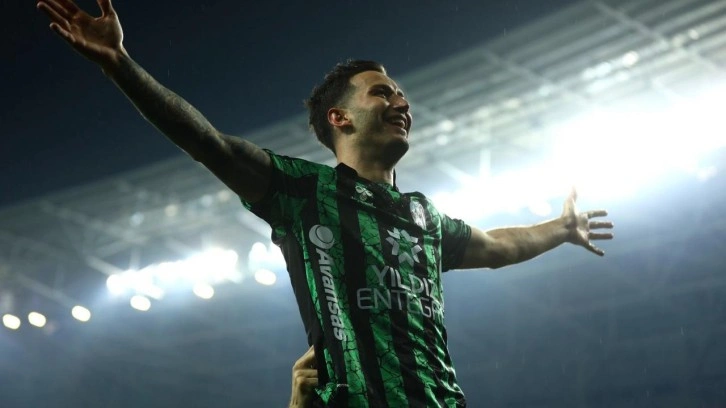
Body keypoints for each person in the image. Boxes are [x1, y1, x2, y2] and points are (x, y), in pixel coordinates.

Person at [37, 0, 614, 406]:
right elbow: (208, 142)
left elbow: (496, 246)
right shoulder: (303, 191)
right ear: (340, 118)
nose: (402, 102)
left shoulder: (424, 217)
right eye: (382, 93)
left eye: (402, 94)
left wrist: (560, 229)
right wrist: (121, 64)